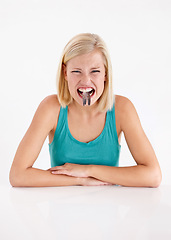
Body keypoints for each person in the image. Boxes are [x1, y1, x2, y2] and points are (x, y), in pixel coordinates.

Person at [9, 33, 162, 187]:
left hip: (109, 206)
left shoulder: (122, 109)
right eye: (77, 71)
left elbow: (153, 176)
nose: (86, 81)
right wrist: (81, 180)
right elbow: (18, 175)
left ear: (105, 74)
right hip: (60, 207)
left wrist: (88, 170)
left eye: (94, 71)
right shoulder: (51, 108)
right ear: (65, 73)